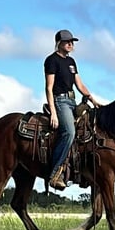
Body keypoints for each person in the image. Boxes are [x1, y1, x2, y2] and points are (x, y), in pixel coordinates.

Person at [44, 29, 100, 190]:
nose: (70, 44)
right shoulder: (52, 60)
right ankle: (55, 173)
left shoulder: (71, 62)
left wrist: (93, 100)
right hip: (60, 101)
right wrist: (54, 112)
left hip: (72, 100)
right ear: (59, 43)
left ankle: (82, 171)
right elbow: (49, 88)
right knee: (69, 132)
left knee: (90, 127)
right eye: (67, 41)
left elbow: (80, 85)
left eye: (72, 42)